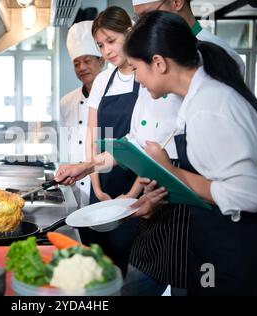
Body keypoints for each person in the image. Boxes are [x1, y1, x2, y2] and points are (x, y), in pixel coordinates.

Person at [58, 10, 257, 295]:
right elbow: (138, 144)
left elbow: (247, 196)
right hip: (206, 229)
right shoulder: (192, 99)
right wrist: (87, 166)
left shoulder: (211, 106)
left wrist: (170, 171)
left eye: (137, 68)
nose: (135, 78)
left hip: (233, 244)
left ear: (159, 64)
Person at [80, 6, 141, 276]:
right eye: (100, 45)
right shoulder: (103, 80)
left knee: (133, 271)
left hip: (137, 187)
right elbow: (92, 136)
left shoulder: (147, 74)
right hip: (103, 183)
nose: (105, 51)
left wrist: (131, 196)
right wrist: (96, 186)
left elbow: (149, 141)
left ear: (129, 32)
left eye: (111, 41)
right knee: (101, 270)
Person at [59, 20, 104, 208]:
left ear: (101, 60)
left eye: (87, 61)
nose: (82, 68)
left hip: (104, 185)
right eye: (76, 63)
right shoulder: (66, 101)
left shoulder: (112, 98)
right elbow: (64, 145)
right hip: (75, 187)